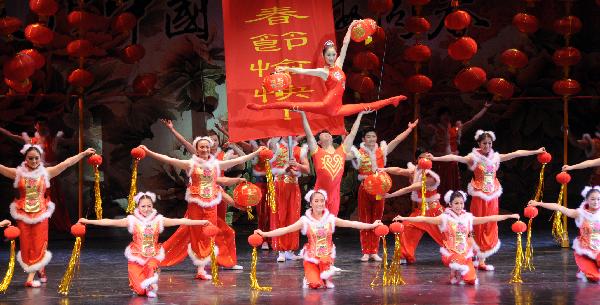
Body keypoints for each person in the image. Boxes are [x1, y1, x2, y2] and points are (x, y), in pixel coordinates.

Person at [139, 138, 266, 279]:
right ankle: (200, 269)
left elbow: (237, 161)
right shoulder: (191, 164)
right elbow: (168, 159)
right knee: (198, 235)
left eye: (206, 147)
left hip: (211, 205)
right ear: (197, 149)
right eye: (201, 147)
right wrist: (148, 152)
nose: (204, 149)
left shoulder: (215, 164)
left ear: (209, 148)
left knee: (209, 235)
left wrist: (257, 152)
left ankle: (205, 266)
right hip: (196, 205)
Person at [430, 130, 544, 270]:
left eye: (489, 143)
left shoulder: (496, 157)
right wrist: (434, 158)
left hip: (493, 196)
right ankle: (470, 256)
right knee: (477, 225)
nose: (487, 146)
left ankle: (482, 260)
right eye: (484, 143)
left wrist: (536, 151)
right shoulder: (474, 158)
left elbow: (517, 153)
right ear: (479, 143)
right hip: (479, 196)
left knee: (490, 225)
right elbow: (453, 157)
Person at [247, 20, 404, 117]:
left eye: (333, 54)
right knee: (289, 104)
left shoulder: (338, 66)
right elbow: (302, 71)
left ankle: (393, 100)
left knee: (367, 107)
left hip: (338, 108)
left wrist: (350, 28)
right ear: (324, 57)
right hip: (326, 106)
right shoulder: (323, 72)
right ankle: (260, 107)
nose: (331, 57)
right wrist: (285, 68)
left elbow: (345, 44)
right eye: (328, 55)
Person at [78, 191, 210, 297]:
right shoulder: (132, 221)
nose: (146, 209)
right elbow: (109, 222)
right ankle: (144, 286)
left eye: (149, 206)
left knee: (152, 266)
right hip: (137, 257)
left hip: (152, 256)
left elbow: (181, 221)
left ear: (152, 207)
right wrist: (88, 221)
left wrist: (201, 222)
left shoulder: (159, 220)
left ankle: (151, 283)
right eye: (143, 206)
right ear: (138, 207)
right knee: (140, 291)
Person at [0, 144, 95, 287]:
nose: (33, 161)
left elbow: (66, 163)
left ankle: (30, 279)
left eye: (36, 158)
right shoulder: (18, 173)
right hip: (23, 214)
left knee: (39, 243)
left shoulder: (46, 172)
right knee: (26, 244)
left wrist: (83, 154)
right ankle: (40, 269)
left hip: (41, 214)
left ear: (40, 158)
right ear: (25, 158)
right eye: (30, 158)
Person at [254, 189, 382, 289]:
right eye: (316, 201)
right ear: (311, 203)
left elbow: (352, 224)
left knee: (325, 262)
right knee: (315, 285)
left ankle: (325, 273)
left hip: (326, 257)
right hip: (311, 258)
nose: (320, 203)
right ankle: (310, 278)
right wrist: (265, 234)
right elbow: (285, 230)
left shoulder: (330, 219)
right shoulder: (305, 221)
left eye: (322, 200)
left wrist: (372, 225)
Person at [393, 190, 519, 285]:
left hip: (465, 253)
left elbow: (490, 218)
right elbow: (423, 218)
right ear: (450, 204)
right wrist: (404, 218)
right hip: (451, 252)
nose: (459, 206)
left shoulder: (468, 218)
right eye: (456, 203)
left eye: (461, 203)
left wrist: (510, 216)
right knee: (457, 262)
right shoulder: (444, 218)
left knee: (471, 280)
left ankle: (457, 274)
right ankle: (454, 273)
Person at [351, 121, 418, 261]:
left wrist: (409, 129)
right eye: (368, 137)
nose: (371, 139)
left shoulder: (382, 151)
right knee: (365, 220)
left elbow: (397, 140)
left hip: (380, 190)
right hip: (365, 189)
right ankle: (365, 251)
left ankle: (374, 250)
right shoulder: (358, 153)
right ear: (363, 139)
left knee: (377, 219)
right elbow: (343, 154)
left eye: (373, 136)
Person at [297, 110, 368, 216]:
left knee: (330, 226)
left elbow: (352, 133)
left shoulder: (342, 151)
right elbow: (309, 133)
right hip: (319, 196)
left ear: (332, 138)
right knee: (317, 227)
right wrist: (302, 114)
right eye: (323, 133)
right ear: (319, 142)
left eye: (328, 133)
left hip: (335, 197)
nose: (326, 134)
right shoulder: (317, 151)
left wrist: (360, 115)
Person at [528, 186, 600, 282]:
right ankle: (586, 268)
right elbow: (558, 207)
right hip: (585, 251)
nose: (596, 202)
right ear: (587, 200)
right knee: (595, 277)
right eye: (593, 199)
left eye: (598, 199)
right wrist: (538, 203)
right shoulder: (580, 214)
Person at [383, 152, 444, 264]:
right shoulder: (415, 171)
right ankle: (403, 256)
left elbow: (409, 189)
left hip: (433, 211)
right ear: (418, 160)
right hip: (420, 211)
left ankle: (462, 251)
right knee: (407, 227)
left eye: (426, 159)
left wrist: (390, 195)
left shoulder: (431, 178)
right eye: (421, 158)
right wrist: (383, 169)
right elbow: (399, 171)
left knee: (446, 235)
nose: (423, 160)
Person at [427, 102, 491, 196]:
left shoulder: (456, 130)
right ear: (439, 117)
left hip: (452, 163)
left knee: (451, 186)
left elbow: (473, 120)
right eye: (444, 114)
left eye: (448, 115)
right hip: (439, 162)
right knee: (438, 185)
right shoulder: (434, 129)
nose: (446, 117)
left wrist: (485, 108)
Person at [267, 136, 310, 262]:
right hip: (279, 185)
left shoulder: (300, 150)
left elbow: (307, 169)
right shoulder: (275, 146)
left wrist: (296, 164)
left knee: (293, 217)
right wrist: (284, 169)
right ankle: (280, 250)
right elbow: (269, 167)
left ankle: (290, 250)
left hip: (293, 186)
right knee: (280, 216)